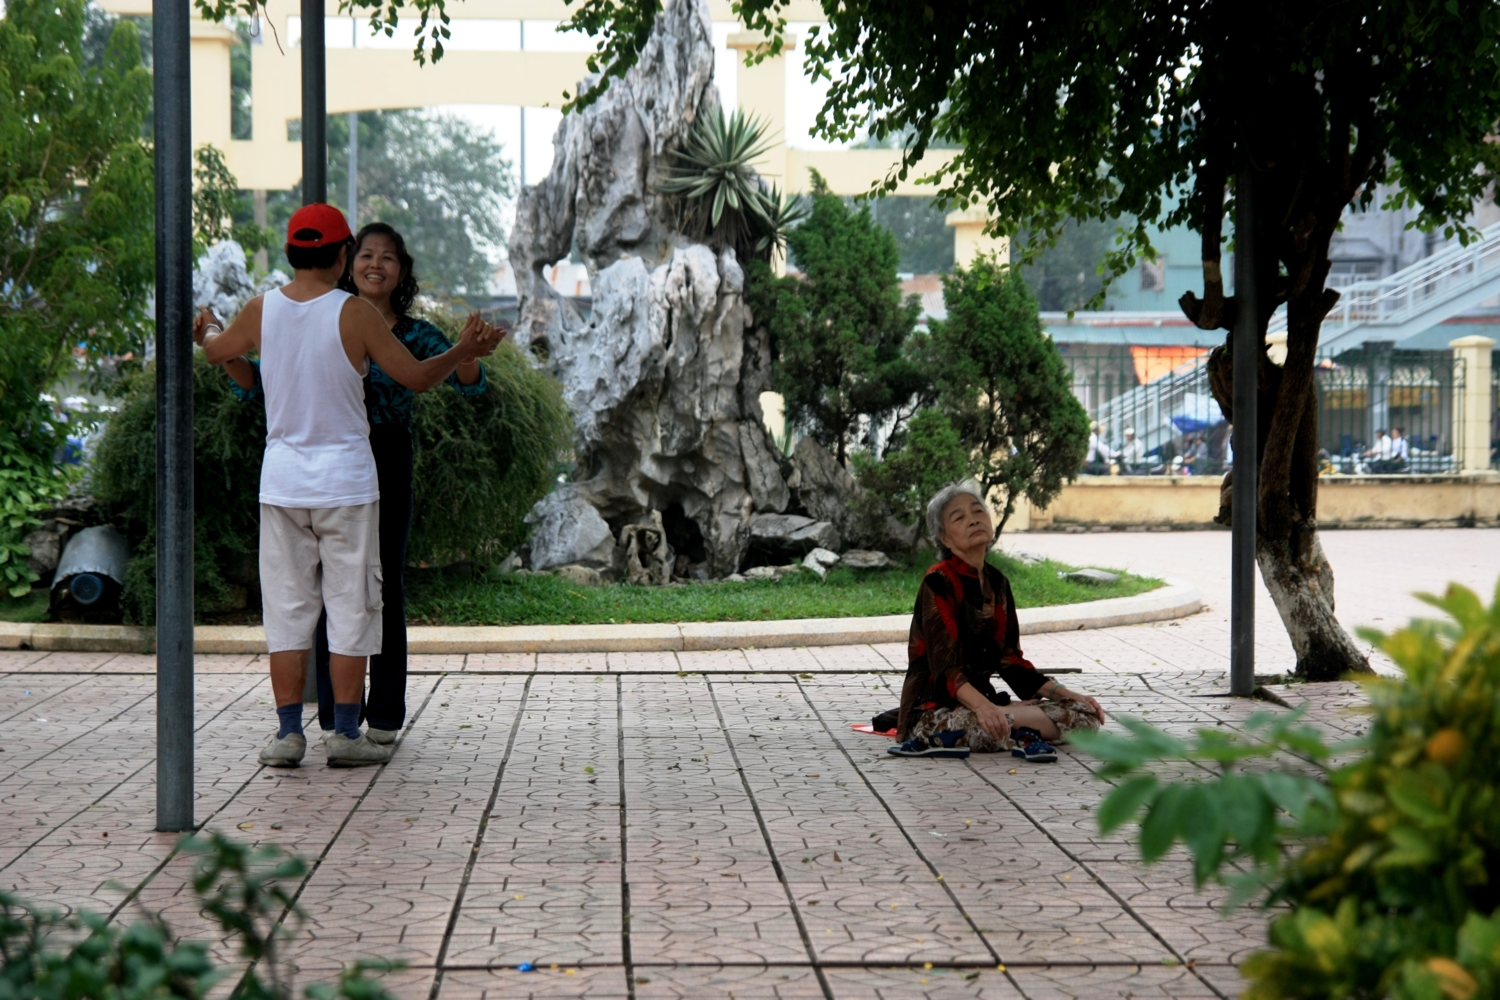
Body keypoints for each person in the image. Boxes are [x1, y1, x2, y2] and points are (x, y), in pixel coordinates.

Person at [194, 204, 502, 768]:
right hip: (347, 484)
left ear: (290, 253)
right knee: (353, 605)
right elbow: (414, 377)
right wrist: (463, 351)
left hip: (282, 485)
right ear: (341, 257)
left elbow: (219, 352)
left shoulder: (263, 310)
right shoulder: (355, 313)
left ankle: (288, 735)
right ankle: (344, 734)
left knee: (288, 609)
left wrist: (211, 326)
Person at [888, 480, 1107, 760]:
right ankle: (1015, 724)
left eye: (978, 511)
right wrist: (983, 708)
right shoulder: (938, 581)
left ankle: (1013, 720)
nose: (973, 520)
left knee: (1085, 717)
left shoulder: (997, 583)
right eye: (959, 517)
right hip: (933, 709)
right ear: (944, 539)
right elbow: (945, 669)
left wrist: (1064, 693)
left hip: (985, 705)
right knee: (989, 732)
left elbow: (1010, 660)